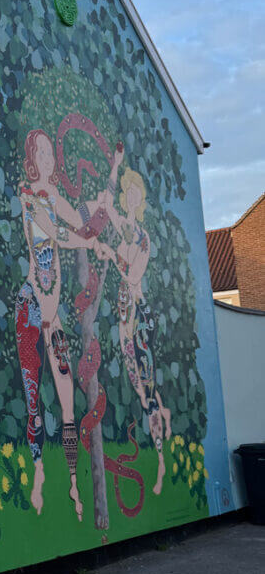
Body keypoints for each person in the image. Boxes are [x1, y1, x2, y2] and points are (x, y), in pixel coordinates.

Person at [15, 129, 111, 521]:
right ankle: (38, 471)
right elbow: (58, 233)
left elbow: (77, 221)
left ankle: (73, 483)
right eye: (43, 152)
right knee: (34, 400)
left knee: (68, 403)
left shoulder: (53, 196)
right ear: (32, 159)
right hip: (31, 309)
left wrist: (100, 213)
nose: (50, 158)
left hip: (53, 318)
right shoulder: (30, 198)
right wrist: (87, 241)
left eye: (51, 152)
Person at [97, 145, 171, 493]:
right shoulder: (122, 224)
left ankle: (159, 465)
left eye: (135, 194)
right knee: (140, 393)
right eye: (128, 192)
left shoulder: (142, 238)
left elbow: (130, 273)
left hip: (139, 318)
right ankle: (158, 418)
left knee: (149, 390)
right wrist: (114, 165)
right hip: (123, 319)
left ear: (140, 202)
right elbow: (105, 205)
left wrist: (110, 253)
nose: (129, 198)